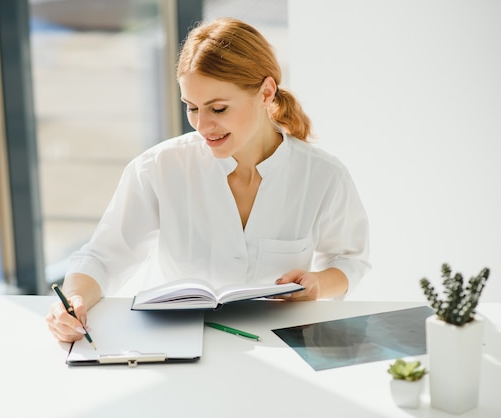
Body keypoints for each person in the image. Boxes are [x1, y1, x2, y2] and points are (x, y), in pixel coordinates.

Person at [46, 17, 370, 342]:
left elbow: (349, 259)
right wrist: (74, 301)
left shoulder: (323, 175)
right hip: (175, 346)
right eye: (192, 108)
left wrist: (317, 283)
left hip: (277, 345)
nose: (201, 126)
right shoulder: (158, 167)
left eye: (218, 109)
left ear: (266, 92)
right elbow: (103, 256)